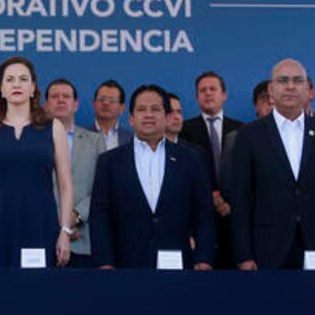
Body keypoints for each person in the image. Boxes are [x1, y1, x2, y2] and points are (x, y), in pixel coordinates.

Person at [0, 57, 74, 268]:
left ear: (33, 88)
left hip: (41, 223)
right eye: (10, 79)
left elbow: (66, 185)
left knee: (38, 294)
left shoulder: (54, 128)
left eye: (23, 79)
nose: (16, 84)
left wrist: (65, 232)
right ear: (2, 89)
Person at [89, 85, 214, 270]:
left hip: (179, 267)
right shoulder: (110, 162)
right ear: (131, 119)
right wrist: (104, 262)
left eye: (155, 109)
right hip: (125, 266)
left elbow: (203, 213)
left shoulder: (190, 159)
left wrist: (203, 259)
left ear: (167, 117)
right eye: (141, 110)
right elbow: (100, 216)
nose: (148, 115)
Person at [231, 58, 315, 270]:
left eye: (297, 81)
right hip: (266, 249)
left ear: (307, 89)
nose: (290, 86)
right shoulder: (248, 136)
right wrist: (244, 255)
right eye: (283, 80)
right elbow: (241, 198)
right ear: (271, 89)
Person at [179, 71, 243, 268]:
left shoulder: (242, 130)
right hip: (199, 215)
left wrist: (230, 201)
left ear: (224, 94)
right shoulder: (184, 130)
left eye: (212, 89)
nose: (208, 94)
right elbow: (184, 174)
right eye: (202, 90)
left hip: (233, 215)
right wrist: (212, 195)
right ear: (197, 97)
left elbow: (246, 174)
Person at [44, 78, 105, 268]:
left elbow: (101, 187)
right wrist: (57, 222)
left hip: (83, 237)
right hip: (43, 232)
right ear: (46, 105)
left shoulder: (95, 141)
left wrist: (76, 217)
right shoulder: (33, 140)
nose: (60, 100)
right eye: (54, 97)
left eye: (66, 96)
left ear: (76, 104)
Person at [90, 80, 133, 150]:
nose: (106, 103)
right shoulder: (81, 137)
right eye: (102, 99)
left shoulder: (131, 139)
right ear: (94, 104)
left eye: (112, 100)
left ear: (121, 108)